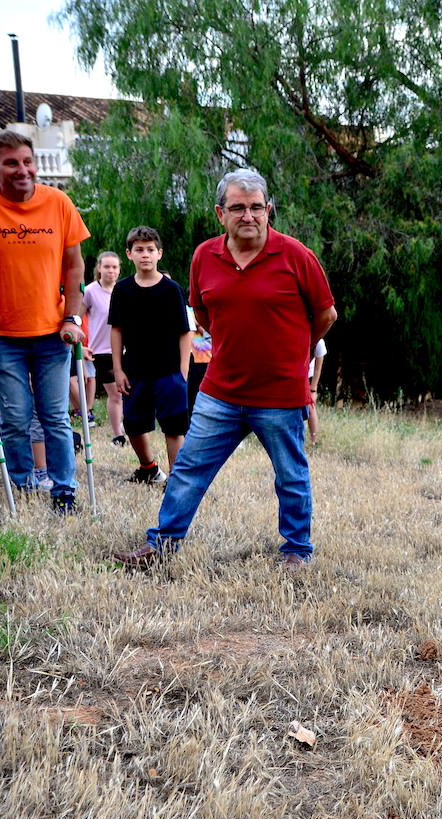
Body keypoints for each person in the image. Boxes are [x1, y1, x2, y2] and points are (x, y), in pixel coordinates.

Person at [114, 168, 336, 569]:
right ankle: (162, 544)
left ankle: (296, 552)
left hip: (280, 393)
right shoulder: (204, 255)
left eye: (256, 207)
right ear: (220, 213)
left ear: (269, 210)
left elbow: (326, 314)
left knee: (291, 476)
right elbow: (202, 312)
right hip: (221, 391)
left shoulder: (297, 256)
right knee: (188, 470)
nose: (247, 216)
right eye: (237, 208)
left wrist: (296, 354)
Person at [0, 130, 90, 514]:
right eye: (11, 163)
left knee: (55, 416)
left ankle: (64, 490)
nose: (22, 170)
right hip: (0, 334)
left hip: (52, 331)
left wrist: (73, 316)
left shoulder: (58, 203)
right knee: (15, 416)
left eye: (27, 161)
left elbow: (74, 264)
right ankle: (23, 483)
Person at [110, 227, 191, 483]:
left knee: (174, 427)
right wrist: (118, 369)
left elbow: (184, 332)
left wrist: (183, 373)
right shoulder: (122, 290)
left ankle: (176, 481)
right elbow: (117, 330)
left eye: (150, 250)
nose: (145, 255)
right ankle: (149, 469)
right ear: (129, 254)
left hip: (169, 371)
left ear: (159, 254)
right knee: (133, 424)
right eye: (139, 250)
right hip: (135, 370)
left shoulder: (171, 289)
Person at [82, 250, 125, 445]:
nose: (111, 271)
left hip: (126, 350)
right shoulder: (90, 291)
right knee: (115, 393)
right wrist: (80, 346)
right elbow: (76, 318)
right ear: (99, 268)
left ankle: (125, 427)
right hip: (102, 351)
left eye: (115, 267)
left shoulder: (124, 290)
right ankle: (118, 435)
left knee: (126, 392)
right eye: (107, 266)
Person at [306, 338, 325, 444]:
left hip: (309, 377)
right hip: (296, 375)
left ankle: (314, 441)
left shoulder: (319, 342)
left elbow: (318, 368)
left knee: (310, 407)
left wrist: (313, 390)